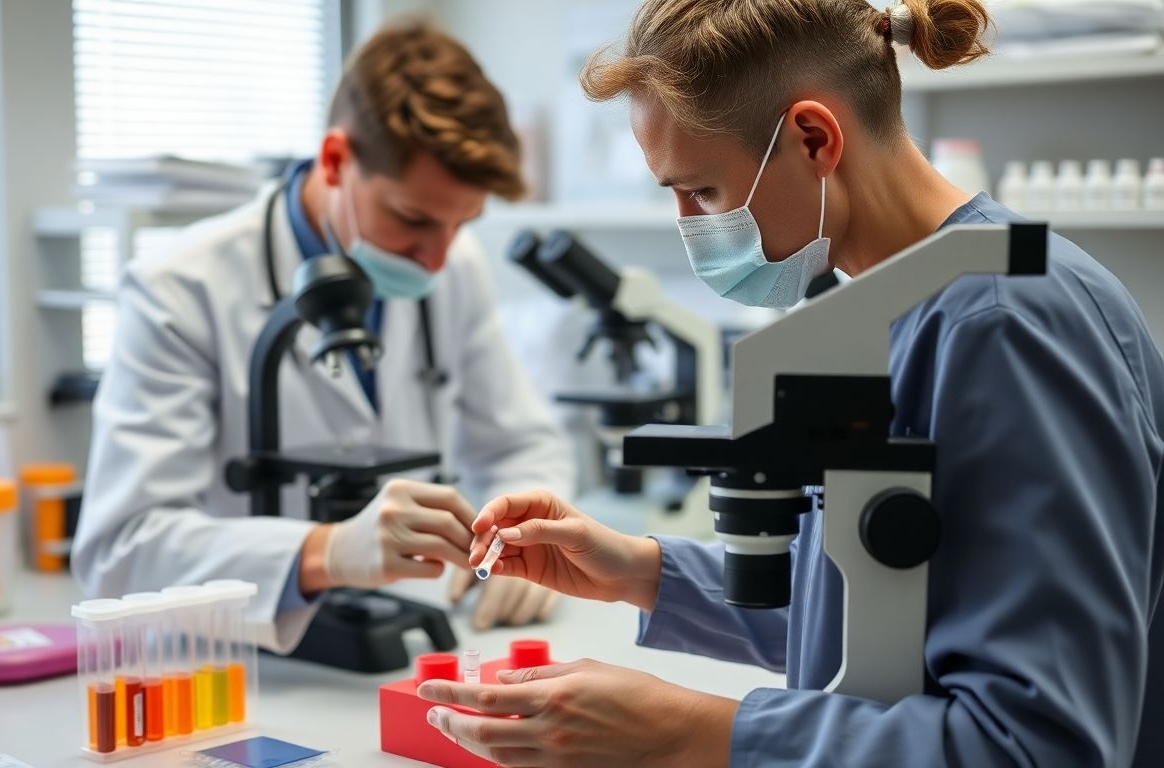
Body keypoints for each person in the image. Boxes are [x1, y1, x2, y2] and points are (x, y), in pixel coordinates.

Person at [417, 1, 1164, 766]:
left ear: (814, 138)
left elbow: (1038, 746)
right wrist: (639, 570)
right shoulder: (879, 300)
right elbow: (879, 615)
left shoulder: (1007, 323)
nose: (690, 226)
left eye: (702, 193)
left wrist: (686, 731)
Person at [72, 20, 574, 653]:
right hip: (228, 663)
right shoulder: (180, 286)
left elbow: (522, 445)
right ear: (335, 160)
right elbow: (121, 550)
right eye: (413, 219)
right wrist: (327, 551)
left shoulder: (457, 267)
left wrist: (525, 540)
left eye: (461, 224)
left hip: (409, 640)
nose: (437, 260)